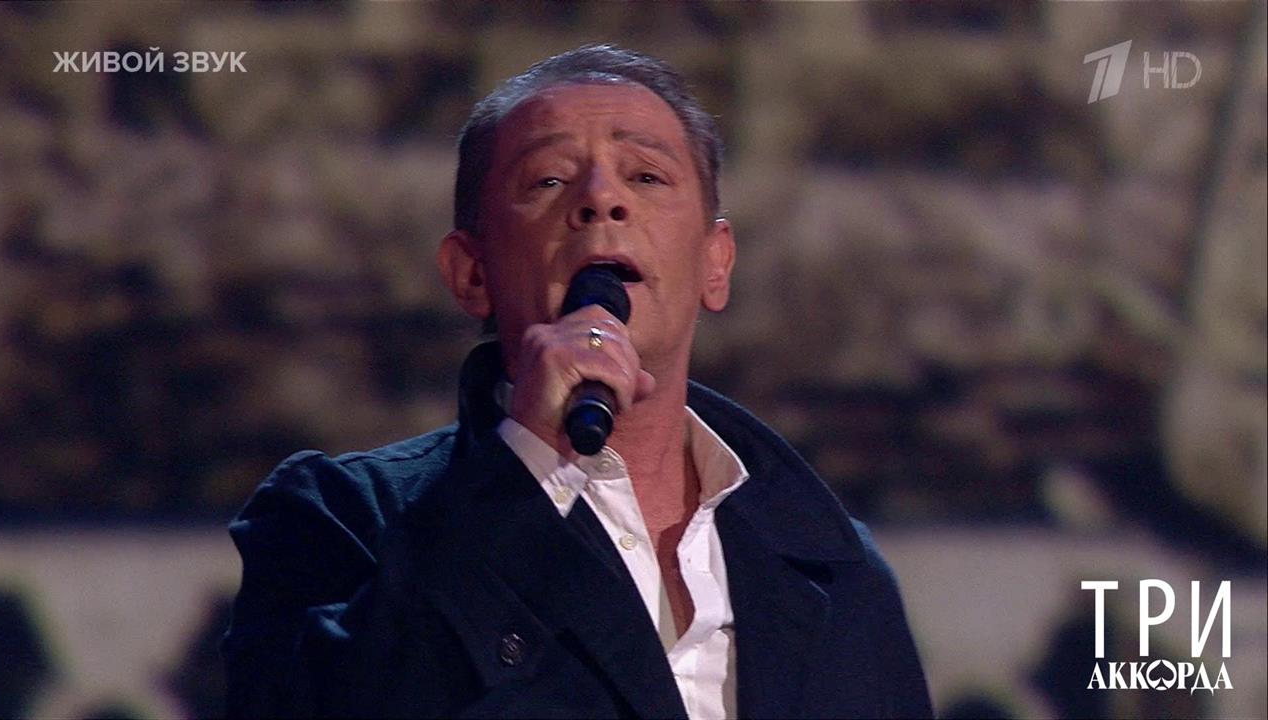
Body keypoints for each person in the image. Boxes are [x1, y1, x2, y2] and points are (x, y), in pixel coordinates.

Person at [222, 44, 933, 719]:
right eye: (549, 181)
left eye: (645, 176)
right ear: (471, 274)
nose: (601, 201)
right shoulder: (340, 521)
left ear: (716, 263)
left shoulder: (837, 574)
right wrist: (524, 469)